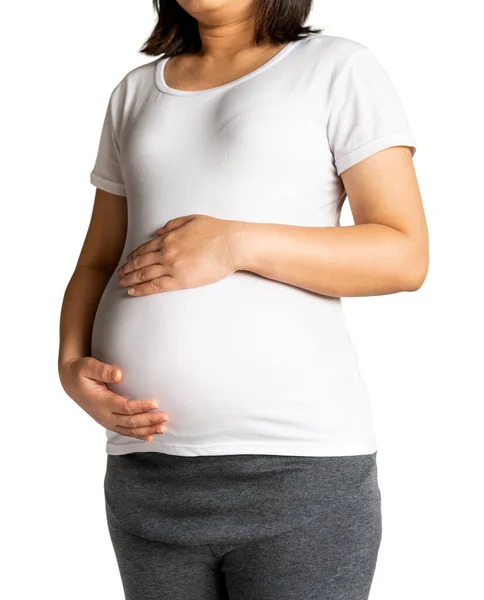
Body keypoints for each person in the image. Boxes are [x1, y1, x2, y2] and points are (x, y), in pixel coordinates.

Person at [58, 1, 428, 598]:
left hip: (297, 475)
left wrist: (236, 243)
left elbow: (403, 256)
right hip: (146, 473)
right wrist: (70, 367)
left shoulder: (337, 68)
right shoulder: (134, 92)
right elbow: (98, 260)